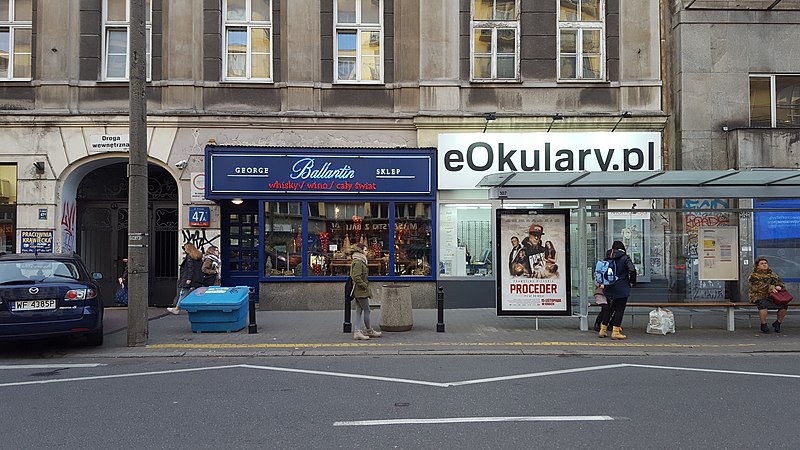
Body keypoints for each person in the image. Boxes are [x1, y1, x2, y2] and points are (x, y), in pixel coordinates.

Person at [598, 241, 637, 340]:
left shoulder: (607, 257)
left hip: (609, 286)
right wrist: (632, 282)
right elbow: (632, 270)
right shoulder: (625, 258)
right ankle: (615, 332)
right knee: (619, 309)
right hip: (621, 287)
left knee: (609, 308)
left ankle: (602, 330)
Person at [350, 242, 382, 340]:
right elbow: (356, 277)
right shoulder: (359, 262)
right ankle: (369, 330)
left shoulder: (359, 261)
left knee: (359, 310)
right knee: (367, 310)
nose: (367, 252)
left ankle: (357, 331)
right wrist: (364, 286)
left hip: (360, 290)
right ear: (360, 252)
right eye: (365, 250)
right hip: (360, 291)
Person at [748, 256, 787, 333]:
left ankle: (778, 323)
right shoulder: (754, 276)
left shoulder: (772, 273)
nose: (764, 265)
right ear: (757, 266)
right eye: (762, 263)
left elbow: (780, 281)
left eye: (765, 263)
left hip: (773, 296)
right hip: (759, 295)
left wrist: (779, 286)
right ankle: (763, 324)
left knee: (784, 305)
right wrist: (772, 287)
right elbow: (759, 287)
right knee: (763, 305)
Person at [167, 243, 204, 314]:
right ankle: (196, 307)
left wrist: (189, 278)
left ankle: (177, 308)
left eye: (185, 248)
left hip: (189, 277)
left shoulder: (189, 257)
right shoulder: (198, 256)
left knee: (183, 292)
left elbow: (190, 268)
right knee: (196, 293)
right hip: (197, 278)